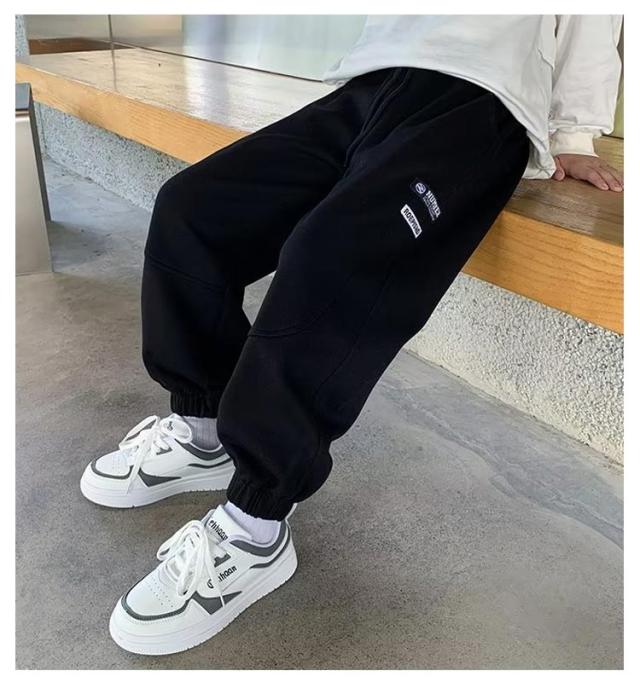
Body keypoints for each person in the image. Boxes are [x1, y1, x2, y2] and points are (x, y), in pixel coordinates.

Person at [79, 15, 623, 655]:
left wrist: (573, 131)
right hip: (371, 83)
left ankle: (256, 525)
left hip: (481, 104)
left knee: (331, 257)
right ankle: (201, 430)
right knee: (191, 209)